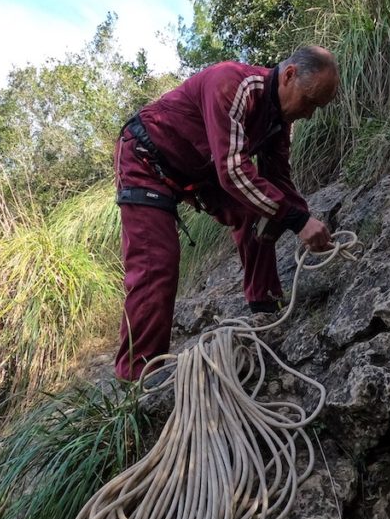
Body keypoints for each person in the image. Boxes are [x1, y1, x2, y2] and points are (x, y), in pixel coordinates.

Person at [113, 45, 339, 380]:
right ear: (289, 75)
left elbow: (278, 182)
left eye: (317, 107)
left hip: (198, 172)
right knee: (156, 265)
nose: (309, 114)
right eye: (309, 100)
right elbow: (233, 172)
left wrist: (306, 220)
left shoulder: (279, 120)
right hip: (146, 160)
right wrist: (298, 221)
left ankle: (265, 307)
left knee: (260, 210)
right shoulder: (233, 84)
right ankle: (137, 379)